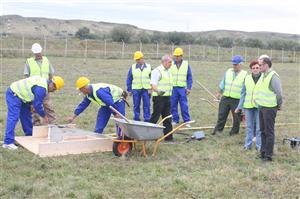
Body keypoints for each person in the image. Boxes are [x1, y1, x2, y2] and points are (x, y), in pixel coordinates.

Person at [2, 76, 64, 150]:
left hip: (24, 97)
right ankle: (8, 142)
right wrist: (44, 116)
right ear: (52, 84)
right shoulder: (42, 88)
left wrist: (31, 104)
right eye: (54, 89)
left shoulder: (44, 84)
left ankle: (29, 135)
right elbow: (37, 105)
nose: (53, 91)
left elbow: (33, 94)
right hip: (14, 94)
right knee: (14, 117)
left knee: (26, 116)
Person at [254, 57, 283, 161]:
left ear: (266, 65)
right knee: (262, 131)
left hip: (270, 109)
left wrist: (279, 105)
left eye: (260, 65)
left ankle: (268, 155)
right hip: (262, 107)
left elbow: (279, 94)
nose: (259, 67)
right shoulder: (263, 75)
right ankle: (263, 152)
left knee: (269, 132)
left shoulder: (273, 76)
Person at [213, 55, 247, 135]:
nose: (234, 66)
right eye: (233, 64)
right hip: (225, 98)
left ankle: (234, 132)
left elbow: (246, 89)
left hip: (237, 99)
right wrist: (219, 93)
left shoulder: (245, 74)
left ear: (240, 64)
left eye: (236, 64)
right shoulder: (228, 72)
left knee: (236, 117)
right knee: (221, 115)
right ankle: (218, 130)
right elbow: (223, 83)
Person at [24, 43, 56, 125]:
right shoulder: (29, 61)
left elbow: (51, 74)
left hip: (46, 88)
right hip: (34, 89)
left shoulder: (46, 60)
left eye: (38, 53)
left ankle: (52, 123)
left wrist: (51, 85)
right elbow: (26, 76)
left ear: (41, 51)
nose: (37, 54)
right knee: (35, 107)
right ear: (33, 52)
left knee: (48, 106)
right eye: (36, 53)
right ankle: (36, 124)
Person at [235, 60, 262, 150]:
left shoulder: (264, 78)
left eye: (257, 68)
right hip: (248, 107)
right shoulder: (247, 78)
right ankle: (247, 145)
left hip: (259, 106)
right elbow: (243, 93)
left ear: (260, 68)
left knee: (258, 128)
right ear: (251, 69)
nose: (255, 69)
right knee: (249, 127)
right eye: (253, 68)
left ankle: (259, 146)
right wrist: (239, 107)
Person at [149, 55, 173, 141]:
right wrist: (159, 91)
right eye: (170, 62)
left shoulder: (169, 71)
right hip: (159, 98)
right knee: (155, 117)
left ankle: (168, 137)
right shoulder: (157, 71)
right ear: (164, 62)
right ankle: (148, 135)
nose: (171, 64)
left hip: (167, 97)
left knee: (167, 117)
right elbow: (153, 85)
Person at [170, 47, 193, 127]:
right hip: (173, 88)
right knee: (173, 105)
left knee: (184, 105)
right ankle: (175, 120)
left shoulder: (186, 65)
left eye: (178, 56)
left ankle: (186, 121)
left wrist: (189, 88)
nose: (176, 57)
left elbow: (189, 77)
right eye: (175, 56)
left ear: (181, 56)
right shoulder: (171, 64)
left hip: (182, 88)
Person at [126, 51, 151, 122]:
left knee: (147, 105)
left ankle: (147, 119)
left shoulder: (149, 67)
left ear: (142, 58)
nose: (137, 61)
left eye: (138, 59)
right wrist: (129, 90)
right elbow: (129, 78)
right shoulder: (133, 67)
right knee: (136, 105)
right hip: (136, 89)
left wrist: (151, 88)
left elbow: (152, 78)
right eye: (136, 60)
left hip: (146, 89)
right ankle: (136, 118)